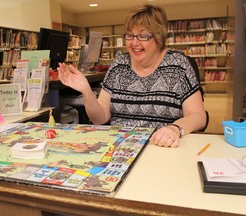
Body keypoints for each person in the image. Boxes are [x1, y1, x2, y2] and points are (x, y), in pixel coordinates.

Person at [57, 4, 207, 148]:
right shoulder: (119, 65)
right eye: (130, 35)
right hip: (120, 150)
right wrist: (87, 92)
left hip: (162, 147)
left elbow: (199, 116)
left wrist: (175, 129)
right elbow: (100, 118)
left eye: (142, 36)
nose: (134, 43)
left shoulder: (178, 64)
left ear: (158, 37)